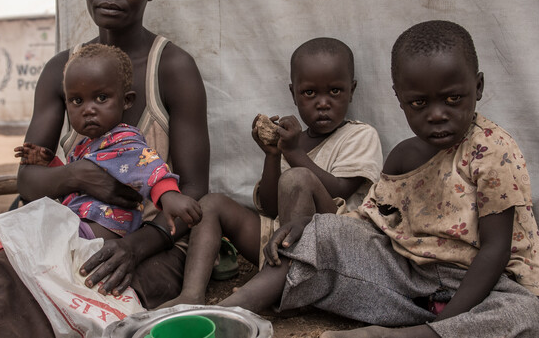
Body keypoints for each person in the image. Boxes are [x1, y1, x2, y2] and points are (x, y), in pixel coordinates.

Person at [0, 0, 209, 337]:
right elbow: (28, 182)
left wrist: (135, 247)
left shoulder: (172, 67)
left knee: (83, 300)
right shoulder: (61, 71)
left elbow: (195, 191)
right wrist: (80, 176)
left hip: (154, 244)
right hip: (66, 231)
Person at [219, 20, 539, 338]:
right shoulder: (404, 156)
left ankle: (412, 334)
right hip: (407, 278)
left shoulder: (493, 153)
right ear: (399, 99)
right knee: (323, 232)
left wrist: (451, 323)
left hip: (478, 285)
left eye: (453, 99)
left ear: (477, 87)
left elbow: (495, 250)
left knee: (528, 316)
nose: (437, 114)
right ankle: (227, 312)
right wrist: (308, 227)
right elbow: (371, 221)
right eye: (419, 103)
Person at [159, 37, 383, 308]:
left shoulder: (360, 135)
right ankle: (191, 295)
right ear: (293, 93)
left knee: (297, 178)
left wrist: (294, 154)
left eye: (335, 91)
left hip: (330, 248)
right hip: (278, 246)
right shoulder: (292, 141)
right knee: (212, 203)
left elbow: (339, 190)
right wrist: (273, 156)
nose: (323, 103)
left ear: (352, 90)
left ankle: (280, 288)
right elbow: (269, 207)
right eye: (310, 93)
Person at [15, 43, 201, 238]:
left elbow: (149, 167)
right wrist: (49, 163)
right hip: (81, 223)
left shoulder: (124, 140)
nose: (88, 110)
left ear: (127, 100)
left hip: (103, 226)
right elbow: (71, 189)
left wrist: (169, 196)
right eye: (77, 101)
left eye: (101, 98)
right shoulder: (83, 146)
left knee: (24, 234)